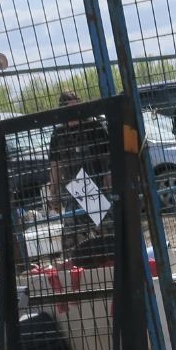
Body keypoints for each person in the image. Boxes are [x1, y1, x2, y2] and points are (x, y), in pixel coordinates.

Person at [45, 90, 115, 265]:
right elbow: (55, 166)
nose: (75, 113)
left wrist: (109, 173)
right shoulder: (59, 134)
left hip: (97, 186)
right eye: (70, 109)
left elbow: (110, 153)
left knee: (109, 234)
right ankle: (75, 269)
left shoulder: (95, 126)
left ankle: (112, 263)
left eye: (78, 107)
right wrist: (53, 193)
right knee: (72, 239)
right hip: (75, 188)